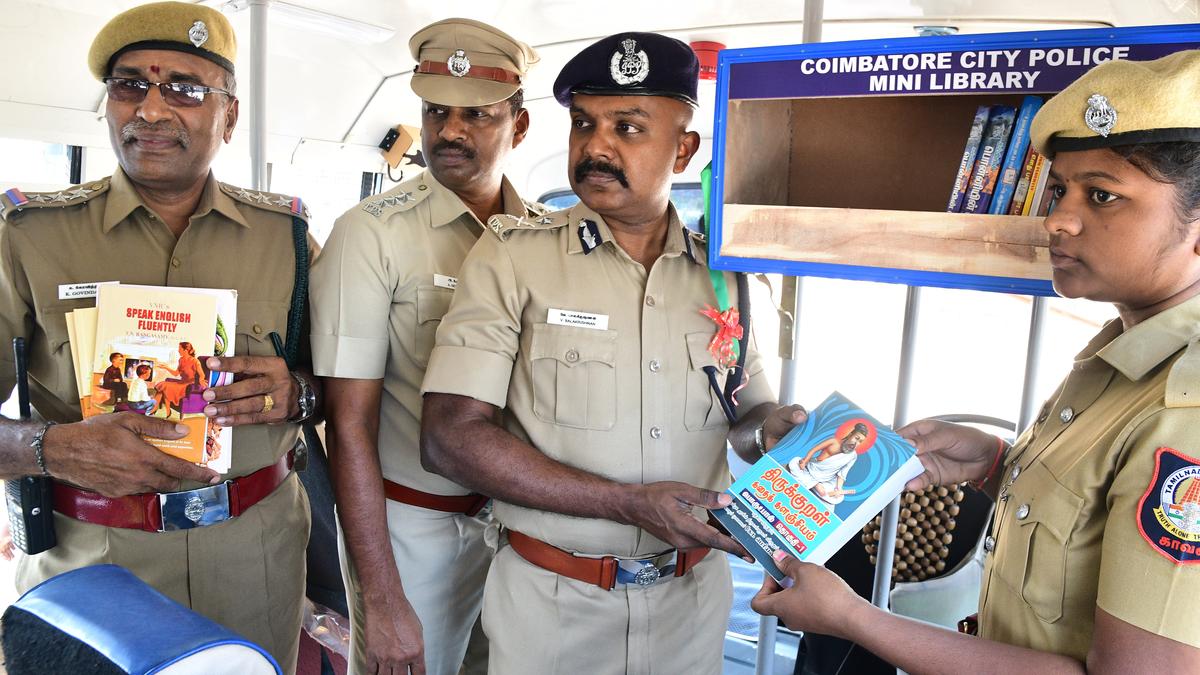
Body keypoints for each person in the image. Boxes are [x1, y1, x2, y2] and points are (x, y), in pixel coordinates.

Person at [752, 50, 1200, 673]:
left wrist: (853, 618)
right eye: (1061, 189)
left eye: (1102, 195)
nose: (1059, 219)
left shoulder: (1186, 411)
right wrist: (993, 464)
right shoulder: (1118, 361)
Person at [420, 32, 807, 675]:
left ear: (683, 149)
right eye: (583, 124)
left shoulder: (725, 276)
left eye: (627, 127)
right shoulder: (513, 256)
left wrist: (777, 429)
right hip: (552, 609)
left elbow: (744, 413)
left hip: (692, 607)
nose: (596, 146)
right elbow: (449, 438)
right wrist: (625, 502)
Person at [0, 3, 321, 671]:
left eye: (185, 88)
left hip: (256, 560)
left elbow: (349, 392)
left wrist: (300, 393)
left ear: (229, 115)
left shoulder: (286, 241)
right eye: (129, 86)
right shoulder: (27, 238)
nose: (150, 109)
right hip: (92, 563)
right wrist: (51, 447)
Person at [309, 18, 541, 675]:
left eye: (476, 115)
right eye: (436, 111)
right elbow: (348, 424)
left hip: (524, 531)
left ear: (518, 128)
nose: (451, 131)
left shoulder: (546, 237)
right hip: (413, 531)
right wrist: (380, 596)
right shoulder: (371, 235)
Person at [788, 423, 868, 502]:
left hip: (827, 479)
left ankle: (814, 485)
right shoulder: (833, 441)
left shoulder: (853, 456)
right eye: (856, 438)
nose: (856, 443)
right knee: (794, 462)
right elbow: (814, 449)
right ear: (850, 434)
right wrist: (805, 461)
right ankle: (816, 485)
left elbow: (842, 473)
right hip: (812, 468)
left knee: (838, 498)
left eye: (860, 441)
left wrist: (838, 489)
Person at [153, 341, 203, 417]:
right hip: (181, 382)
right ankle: (163, 411)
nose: (178, 350)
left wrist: (201, 380)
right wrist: (165, 367)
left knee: (164, 386)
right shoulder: (181, 360)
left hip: (188, 385)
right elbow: (176, 373)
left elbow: (201, 374)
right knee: (164, 386)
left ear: (185, 350)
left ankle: (156, 409)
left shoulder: (195, 361)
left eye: (180, 349)